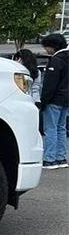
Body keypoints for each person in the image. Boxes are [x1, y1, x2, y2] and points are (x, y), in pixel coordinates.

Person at [39, 33, 68, 169]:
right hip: (66, 99)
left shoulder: (56, 60)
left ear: (53, 46)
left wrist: (43, 101)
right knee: (61, 128)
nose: (46, 50)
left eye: (47, 47)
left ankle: (49, 159)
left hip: (54, 99)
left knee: (50, 128)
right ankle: (61, 157)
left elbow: (50, 84)